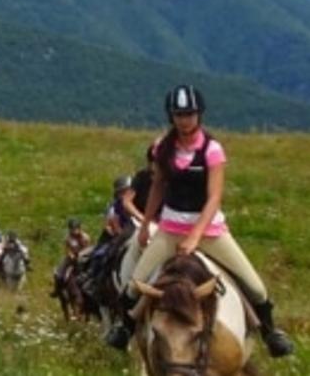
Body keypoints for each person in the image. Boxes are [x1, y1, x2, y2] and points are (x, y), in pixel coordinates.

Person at [105, 85, 294, 357]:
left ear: (199, 114)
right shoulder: (162, 148)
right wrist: (145, 225)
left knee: (255, 286)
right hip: (169, 231)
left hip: (209, 232)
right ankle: (124, 328)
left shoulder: (212, 150)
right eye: (179, 115)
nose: (184, 120)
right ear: (171, 116)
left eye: (189, 114)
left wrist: (195, 236)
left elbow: (214, 197)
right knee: (134, 285)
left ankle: (270, 333)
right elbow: (158, 186)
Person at [51, 218, 90, 298]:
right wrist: (71, 256)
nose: (74, 231)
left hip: (84, 258)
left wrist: (83, 255)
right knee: (59, 272)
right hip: (72, 258)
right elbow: (67, 249)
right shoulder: (68, 238)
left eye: (76, 229)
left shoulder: (85, 237)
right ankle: (57, 289)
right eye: (72, 229)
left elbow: (88, 248)